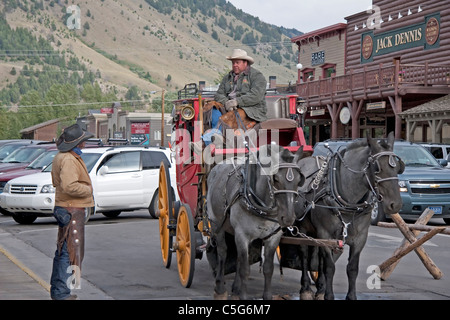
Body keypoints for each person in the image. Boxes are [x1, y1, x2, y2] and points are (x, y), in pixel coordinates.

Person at [192, 49, 267, 153]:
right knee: (210, 108)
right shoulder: (228, 77)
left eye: (237, 62)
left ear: (245, 63)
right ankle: (217, 136)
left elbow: (256, 96)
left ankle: (206, 140)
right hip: (229, 108)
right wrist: (227, 102)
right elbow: (219, 95)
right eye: (233, 63)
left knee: (229, 116)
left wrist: (237, 102)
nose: (234, 65)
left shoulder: (257, 76)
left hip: (251, 111)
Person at [50, 123, 94, 300]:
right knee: (69, 252)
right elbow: (69, 186)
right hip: (71, 208)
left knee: (64, 251)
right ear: (78, 143)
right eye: (83, 140)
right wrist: (88, 190)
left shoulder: (63, 157)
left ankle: (59, 291)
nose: (85, 143)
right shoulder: (68, 159)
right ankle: (61, 293)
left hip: (66, 207)